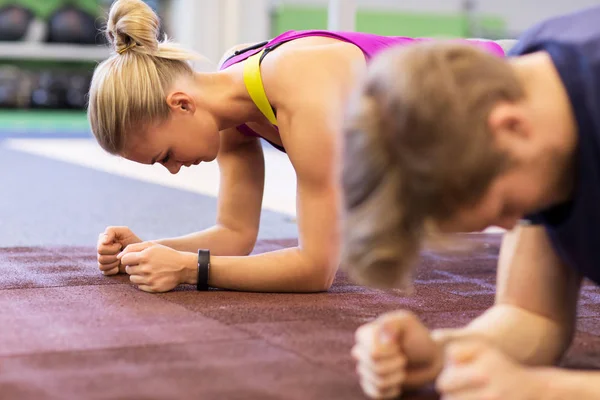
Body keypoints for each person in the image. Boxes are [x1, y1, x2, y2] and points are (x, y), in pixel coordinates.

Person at [90, 0, 505, 294]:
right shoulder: (230, 106)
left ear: (181, 104)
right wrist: (150, 250)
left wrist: (188, 270)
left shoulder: (298, 83)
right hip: (465, 141)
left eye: (164, 156)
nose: (174, 170)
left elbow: (316, 269)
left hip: (506, 94)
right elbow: (235, 234)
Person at [343, 5, 600, 399]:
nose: (516, 226)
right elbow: (532, 315)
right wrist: (443, 352)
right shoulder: (525, 86)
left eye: (504, 206)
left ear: (511, 126)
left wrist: (546, 390)